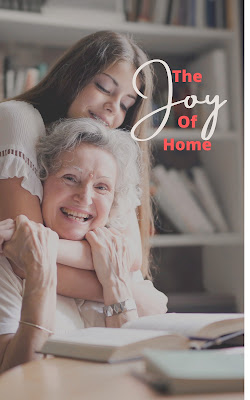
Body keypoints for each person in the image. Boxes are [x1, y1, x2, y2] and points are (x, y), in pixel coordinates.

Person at [0, 31, 166, 313]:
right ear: (73, 76)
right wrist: (130, 293)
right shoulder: (19, 119)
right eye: (103, 87)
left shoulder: (111, 150)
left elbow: (132, 257)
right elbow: (25, 259)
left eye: (126, 104)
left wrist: (47, 250)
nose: (113, 107)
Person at [0, 118, 160, 372]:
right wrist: (40, 275)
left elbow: (137, 371)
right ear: (42, 182)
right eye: (70, 178)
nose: (84, 196)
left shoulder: (116, 259)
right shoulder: (9, 259)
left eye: (101, 187)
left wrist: (117, 285)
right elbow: (12, 377)